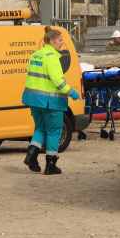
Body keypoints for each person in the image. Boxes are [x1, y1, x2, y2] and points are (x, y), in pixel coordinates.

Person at [22, 26, 81, 175]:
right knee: (54, 131)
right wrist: (72, 92)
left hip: (34, 100)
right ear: (52, 40)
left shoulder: (36, 55)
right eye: (60, 40)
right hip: (50, 101)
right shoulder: (52, 57)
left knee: (40, 128)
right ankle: (51, 165)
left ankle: (31, 156)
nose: (62, 43)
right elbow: (58, 81)